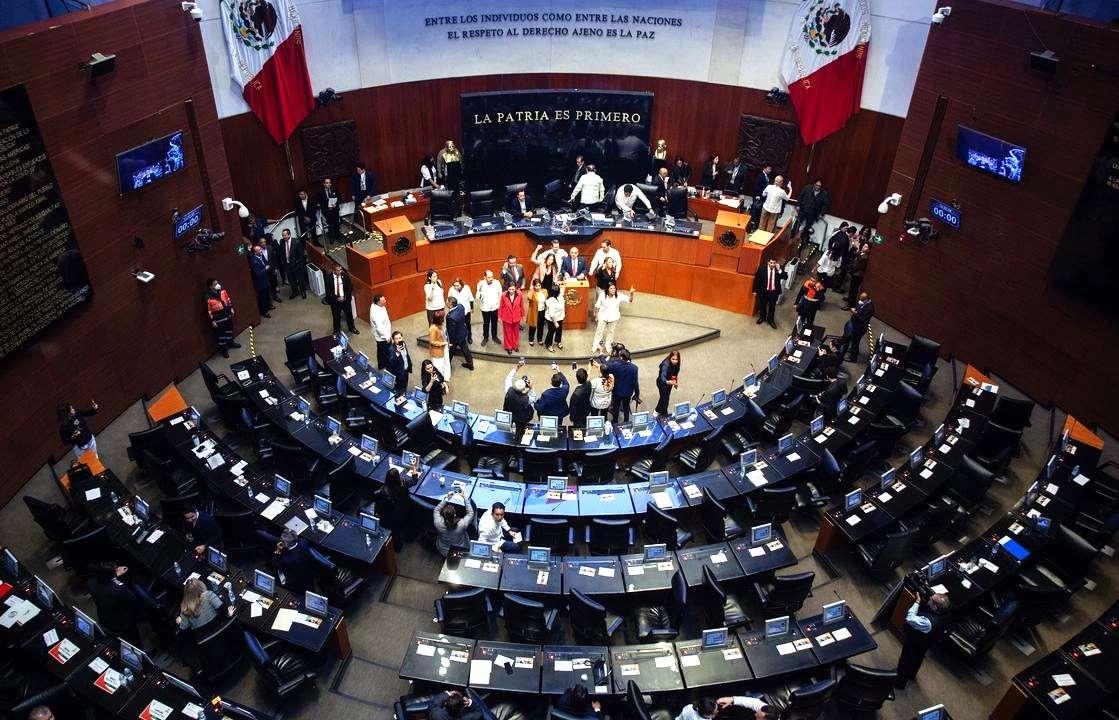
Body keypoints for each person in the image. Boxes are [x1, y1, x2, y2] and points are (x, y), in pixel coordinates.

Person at [896, 590, 951, 688]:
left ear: (935, 607)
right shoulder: (944, 614)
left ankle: (899, 683)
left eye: (931, 599)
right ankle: (911, 675)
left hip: (915, 642)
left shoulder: (927, 622)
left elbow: (910, 618)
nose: (929, 598)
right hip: (928, 641)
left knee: (906, 660)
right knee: (918, 658)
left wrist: (917, 602)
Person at [86, 563, 143, 644]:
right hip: (122, 622)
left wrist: (114, 575)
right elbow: (134, 603)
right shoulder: (120, 589)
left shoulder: (90, 582)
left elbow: (104, 581)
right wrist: (115, 576)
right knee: (133, 638)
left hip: (103, 617)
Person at [374, 466, 414, 551]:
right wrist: (414, 473)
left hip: (385, 518)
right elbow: (414, 481)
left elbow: (377, 506)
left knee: (395, 531)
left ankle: (396, 546)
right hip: (400, 515)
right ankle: (398, 547)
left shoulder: (381, 491)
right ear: (398, 478)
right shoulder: (403, 486)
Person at [275, 530, 320, 595]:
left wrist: (278, 551)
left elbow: (276, 564)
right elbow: (300, 540)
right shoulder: (304, 542)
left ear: (285, 543)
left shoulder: (286, 560)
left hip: (298, 582)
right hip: (311, 573)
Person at [592, 284, 634, 354]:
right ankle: (595, 346)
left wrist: (631, 293)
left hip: (614, 317)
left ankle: (608, 346)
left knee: (611, 332)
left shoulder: (619, 295)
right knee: (599, 331)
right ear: (607, 289)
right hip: (602, 316)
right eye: (611, 288)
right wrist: (596, 315)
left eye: (614, 288)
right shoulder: (602, 294)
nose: (613, 290)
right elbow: (597, 305)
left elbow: (630, 300)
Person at [433, 491, 475, 557]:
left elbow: (436, 510)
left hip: (443, 550)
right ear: (455, 515)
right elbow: (470, 513)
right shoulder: (462, 524)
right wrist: (465, 498)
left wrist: (447, 498)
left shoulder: (438, 523)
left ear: (443, 516)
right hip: (460, 549)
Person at [204, 278, 237, 358]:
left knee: (229, 330)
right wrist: (212, 321)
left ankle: (231, 343)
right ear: (210, 287)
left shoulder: (222, 291)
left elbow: (228, 299)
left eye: (217, 283)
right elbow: (209, 311)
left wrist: (231, 308)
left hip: (227, 315)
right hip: (219, 319)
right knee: (221, 335)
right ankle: (224, 350)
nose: (217, 285)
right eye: (215, 284)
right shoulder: (208, 297)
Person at [606, 348, 641, 423]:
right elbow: (635, 382)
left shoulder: (615, 366)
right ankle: (626, 421)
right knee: (626, 407)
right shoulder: (634, 368)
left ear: (621, 357)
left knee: (616, 407)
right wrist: (637, 394)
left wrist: (606, 356)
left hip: (617, 392)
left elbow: (606, 366)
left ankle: (615, 421)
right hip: (628, 393)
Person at [325, 262, 359, 335]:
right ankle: (336, 330)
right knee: (336, 316)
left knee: (349, 315)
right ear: (333, 270)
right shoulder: (328, 278)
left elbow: (350, 287)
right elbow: (328, 291)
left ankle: (352, 328)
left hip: (345, 300)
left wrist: (344, 297)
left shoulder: (345, 276)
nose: (340, 271)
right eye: (338, 270)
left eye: (340, 269)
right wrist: (336, 298)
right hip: (335, 302)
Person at [503, 362, 536, 435]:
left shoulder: (508, 390)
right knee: (532, 405)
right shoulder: (526, 400)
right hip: (522, 418)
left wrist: (517, 367)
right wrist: (531, 388)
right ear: (523, 389)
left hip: (509, 414)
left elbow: (508, 378)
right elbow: (533, 398)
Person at [676, 696, 774, 720]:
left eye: (759, 716)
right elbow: (752, 702)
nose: (756, 713)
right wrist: (731, 699)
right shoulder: (764, 708)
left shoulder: (689, 707)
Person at [753, 259, 786, 329]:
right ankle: (762, 317)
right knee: (763, 305)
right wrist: (755, 290)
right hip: (764, 292)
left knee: (772, 307)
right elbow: (757, 279)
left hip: (774, 292)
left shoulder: (778, 270)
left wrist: (779, 270)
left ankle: (770, 320)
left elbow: (785, 277)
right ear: (768, 262)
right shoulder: (762, 269)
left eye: (774, 263)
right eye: (771, 263)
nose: (772, 264)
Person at [843, 292, 875, 361]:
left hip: (860, 328)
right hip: (854, 323)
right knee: (852, 339)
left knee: (855, 341)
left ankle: (853, 357)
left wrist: (855, 313)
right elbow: (858, 308)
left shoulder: (870, 309)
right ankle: (852, 350)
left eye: (862, 300)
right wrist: (855, 311)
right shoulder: (862, 301)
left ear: (866, 300)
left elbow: (862, 319)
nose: (860, 301)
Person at [446, 296, 474, 371]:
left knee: (451, 351)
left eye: (447, 302)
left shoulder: (450, 317)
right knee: (465, 349)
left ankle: (447, 366)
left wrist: (451, 342)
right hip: (462, 332)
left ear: (450, 304)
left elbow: (451, 331)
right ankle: (470, 364)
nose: (446, 303)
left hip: (456, 337)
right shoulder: (460, 306)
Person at [278, 228, 307, 299]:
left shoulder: (296, 242)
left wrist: (299, 265)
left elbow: (301, 255)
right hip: (287, 265)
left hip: (296, 265)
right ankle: (295, 292)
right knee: (291, 280)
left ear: (289, 235)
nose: (283, 237)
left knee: (300, 279)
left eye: (285, 235)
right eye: (283, 235)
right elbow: (282, 253)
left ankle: (303, 292)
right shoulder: (281, 242)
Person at [476, 270, 502, 346]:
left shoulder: (497, 283)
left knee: (494, 323)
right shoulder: (480, 284)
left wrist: (498, 304)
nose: (491, 279)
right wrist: (480, 292)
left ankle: (494, 336)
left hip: (495, 307)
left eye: (492, 277)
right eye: (489, 277)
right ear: (485, 277)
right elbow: (478, 297)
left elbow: (500, 294)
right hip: (485, 308)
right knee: (486, 323)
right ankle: (486, 337)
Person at [845, 236, 871, 309]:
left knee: (854, 290)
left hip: (858, 275)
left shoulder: (865, 257)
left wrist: (858, 249)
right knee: (851, 288)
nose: (864, 247)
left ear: (869, 250)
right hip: (855, 273)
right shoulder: (861, 253)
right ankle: (849, 299)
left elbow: (859, 265)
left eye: (866, 247)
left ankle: (850, 304)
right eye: (864, 246)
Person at [498, 282, 524, 354]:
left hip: (516, 316)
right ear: (507, 288)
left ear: (515, 288)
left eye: (513, 289)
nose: (511, 291)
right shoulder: (503, 295)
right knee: (507, 333)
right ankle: (508, 347)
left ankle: (515, 345)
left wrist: (522, 315)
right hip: (506, 317)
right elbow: (501, 306)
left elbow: (521, 305)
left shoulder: (520, 294)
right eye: (510, 289)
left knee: (516, 332)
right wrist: (499, 316)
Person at [248, 243, 272, 318]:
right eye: (259, 250)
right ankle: (264, 311)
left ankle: (268, 306)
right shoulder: (253, 260)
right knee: (262, 297)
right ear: (255, 252)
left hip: (266, 280)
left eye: (260, 249)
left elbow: (266, 263)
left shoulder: (261, 256)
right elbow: (257, 273)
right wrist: (265, 269)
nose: (261, 251)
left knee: (267, 295)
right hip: (260, 282)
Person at [592, 255, 618, 323]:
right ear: (605, 263)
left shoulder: (613, 271)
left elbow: (613, 282)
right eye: (609, 262)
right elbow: (596, 276)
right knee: (599, 303)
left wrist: (614, 290)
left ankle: (605, 316)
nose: (611, 263)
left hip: (608, 290)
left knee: (606, 303)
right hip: (601, 289)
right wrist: (601, 268)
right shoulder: (601, 270)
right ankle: (596, 315)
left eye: (612, 262)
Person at [448, 278, 474, 344]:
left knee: (468, 324)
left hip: (466, 310)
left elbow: (471, 298)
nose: (456, 287)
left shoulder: (467, 288)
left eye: (457, 285)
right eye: (454, 285)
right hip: (456, 312)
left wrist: (472, 308)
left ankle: (469, 337)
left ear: (462, 285)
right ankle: (459, 339)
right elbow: (449, 300)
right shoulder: (451, 289)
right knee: (458, 326)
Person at [386, 331, 413, 395]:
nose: (399, 340)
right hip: (398, 372)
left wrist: (409, 364)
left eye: (400, 338)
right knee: (399, 387)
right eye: (396, 339)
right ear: (393, 340)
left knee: (405, 384)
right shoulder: (391, 349)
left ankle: (404, 393)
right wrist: (397, 353)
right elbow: (391, 363)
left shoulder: (403, 344)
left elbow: (406, 355)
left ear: (402, 337)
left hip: (406, 369)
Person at [370, 293, 392, 369]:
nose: (385, 301)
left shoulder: (376, 305)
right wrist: (386, 337)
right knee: (386, 352)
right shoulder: (376, 313)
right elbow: (379, 327)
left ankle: (381, 365)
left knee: (381, 351)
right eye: (383, 301)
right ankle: (387, 366)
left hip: (384, 333)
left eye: (384, 299)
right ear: (378, 303)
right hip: (382, 337)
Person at [656, 350, 681, 416]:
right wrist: (667, 382)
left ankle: (657, 410)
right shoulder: (665, 365)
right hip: (662, 383)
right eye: (673, 359)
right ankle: (664, 414)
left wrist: (675, 382)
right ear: (670, 358)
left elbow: (674, 374)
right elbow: (663, 376)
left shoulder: (677, 365)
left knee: (664, 397)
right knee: (665, 399)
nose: (675, 361)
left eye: (676, 359)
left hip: (670, 383)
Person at [428, 309, 451, 381]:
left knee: (445, 362)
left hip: (444, 347)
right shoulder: (433, 328)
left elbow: (444, 335)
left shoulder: (440, 325)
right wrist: (442, 343)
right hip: (437, 351)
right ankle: (440, 381)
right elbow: (432, 341)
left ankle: (445, 377)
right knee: (439, 366)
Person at [318, 177, 341, 242]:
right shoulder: (320, 192)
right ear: (324, 184)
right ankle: (332, 238)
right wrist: (326, 208)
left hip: (335, 210)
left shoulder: (334, 189)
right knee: (330, 225)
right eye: (327, 183)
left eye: (329, 183)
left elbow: (339, 198)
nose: (329, 184)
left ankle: (338, 237)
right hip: (327, 212)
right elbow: (320, 203)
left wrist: (336, 204)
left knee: (337, 224)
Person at [525, 278, 547, 347]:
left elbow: (547, 299)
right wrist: (532, 289)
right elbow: (529, 297)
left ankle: (539, 339)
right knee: (533, 326)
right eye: (536, 286)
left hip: (542, 311)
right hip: (534, 312)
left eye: (539, 285)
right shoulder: (532, 292)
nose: (538, 287)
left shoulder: (544, 291)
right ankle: (531, 340)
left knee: (541, 326)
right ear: (534, 286)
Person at [544, 285, 565, 352]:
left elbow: (563, 289)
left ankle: (558, 341)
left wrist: (562, 283)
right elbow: (551, 314)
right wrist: (555, 323)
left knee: (559, 331)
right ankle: (548, 344)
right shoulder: (551, 300)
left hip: (560, 317)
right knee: (551, 331)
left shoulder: (560, 296)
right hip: (552, 319)